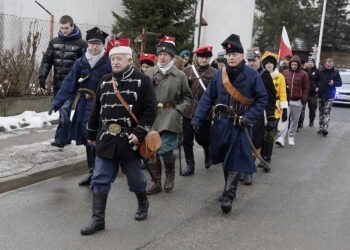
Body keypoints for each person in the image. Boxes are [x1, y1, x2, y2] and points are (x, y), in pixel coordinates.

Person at [81, 39, 157, 235]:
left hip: (130, 139)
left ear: (129, 60)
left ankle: (142, 202)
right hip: (107, 137)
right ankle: (98, 219)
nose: (115, 62)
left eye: (119, 59)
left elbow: (150, 112)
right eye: (113, 59)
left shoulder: (142, 80)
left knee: (135, 179)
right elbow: (96, 110)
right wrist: (91, 134)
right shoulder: (105, 80)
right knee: (100, 178)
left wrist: (139, 133)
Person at [191, 34, 267, 214]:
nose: (231, 57)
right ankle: (228, 187)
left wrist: (250, 117)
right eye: (228, 54)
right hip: (220, 123)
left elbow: (262, 99)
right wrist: (197, 119)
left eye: (235, 54)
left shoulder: (252, 75)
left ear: (242, 56)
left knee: (234, 158)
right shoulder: (219, 74)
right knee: (226, 158)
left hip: (240, 124)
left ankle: (228, 195)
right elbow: (207, 98)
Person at [50, 27, 111, 186]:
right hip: (84, 105)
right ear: (87, 44)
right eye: (91, 44)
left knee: (99, 137)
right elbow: (69, 83)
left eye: (98, 44)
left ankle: (100, 172)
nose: (94, 47)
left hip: (102, 105)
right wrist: (58, 101)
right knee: (86, 136)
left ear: (103, 45)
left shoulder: (108, 62)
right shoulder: (81, 62)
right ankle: (92, 172)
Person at [145, 36, 192, 195]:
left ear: (172, 57)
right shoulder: (149, 72)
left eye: (166, 55)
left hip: (170, 116)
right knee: (151, 150)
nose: (163, 57)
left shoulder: (180, 75)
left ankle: (170, 174)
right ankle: (155, 181)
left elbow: (188, 97)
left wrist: (178, 110)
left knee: (164, 150)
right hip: (151, 116)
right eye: (160, 55)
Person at [39, 15, 87, 148]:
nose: (64, 30)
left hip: (71, 85)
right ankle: (66, 137)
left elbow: (85, 65)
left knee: (65, 110)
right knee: (61, 110)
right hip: (57, 83)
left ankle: (60, 138)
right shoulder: (54, 42)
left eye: (66, 28)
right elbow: (47, 60)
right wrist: (42, 76)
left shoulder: (82, 44)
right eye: (61, 28)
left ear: (72, 26)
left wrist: (83, 82)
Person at [181, 46, 216, 176]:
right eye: (201, 57)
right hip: (188, 108)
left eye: (206, 57)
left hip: (204, 110)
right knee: (187, 139)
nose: (203, 60)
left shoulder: (214, 72)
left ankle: (207, 150)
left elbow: (216, 93)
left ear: (209, 58)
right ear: (197, 57)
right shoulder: (187, 70)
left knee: (203, 138)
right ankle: (190, 165)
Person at [246, 47, 276, 184]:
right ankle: (243, 168)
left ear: (259, 60)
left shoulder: (265, 75)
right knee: (243, 141)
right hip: (244, 112)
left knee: (255, 141)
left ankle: (249, 171)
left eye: (254, 60)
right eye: (249, 60)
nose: (252, 63)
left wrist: (271, 118)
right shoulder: (243, 73)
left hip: (258, 114)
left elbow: (271, 98)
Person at [260, 51, 288, 166]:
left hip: (274, 110)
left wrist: (284, 109)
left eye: (271, 62)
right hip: (261, 109)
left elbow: (283, 94)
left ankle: (267, 157)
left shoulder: (280, 76)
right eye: (267, 62)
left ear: (275, 64)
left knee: (270, 135)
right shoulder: (260, 75)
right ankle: (261, 156)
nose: (269, 65)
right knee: (261, 135)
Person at [275, 55, 309, 146]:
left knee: (294, 120)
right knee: (284, 119)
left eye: (295, 65)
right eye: (292, 64)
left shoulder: (304, 74)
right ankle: (281, 137)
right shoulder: (285, 72)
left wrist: (303, 100)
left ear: (298, 65)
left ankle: (291, 136)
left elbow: (306, 88)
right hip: (286, 101)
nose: (294, 66)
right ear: (290, 64)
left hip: (297, 101)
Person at [316, 58, 342, 136]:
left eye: (330, 65)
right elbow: (314, 81)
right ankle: (321, 127)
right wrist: (316, 87)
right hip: (320, 94)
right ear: (325, 64)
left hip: (330, 95)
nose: (329, 66)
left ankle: (325, 128)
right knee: (321, 112)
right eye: (328, 65)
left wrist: (333, 83)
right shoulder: (320, 71)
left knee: (327, 112)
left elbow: (340, 83)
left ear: (333, 65)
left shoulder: (335, 72)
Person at [305, 58, 320, 127]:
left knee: (312, 108)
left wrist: (318, 87)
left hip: (313, 93)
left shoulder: (317, 71)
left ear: (314, 63)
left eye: (311, 62)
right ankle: (300, 123)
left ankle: (311, 120)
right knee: (301, 109)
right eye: (309, 62)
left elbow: (319, 81)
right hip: (304, 92)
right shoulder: (304, 70)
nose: (310, 63)